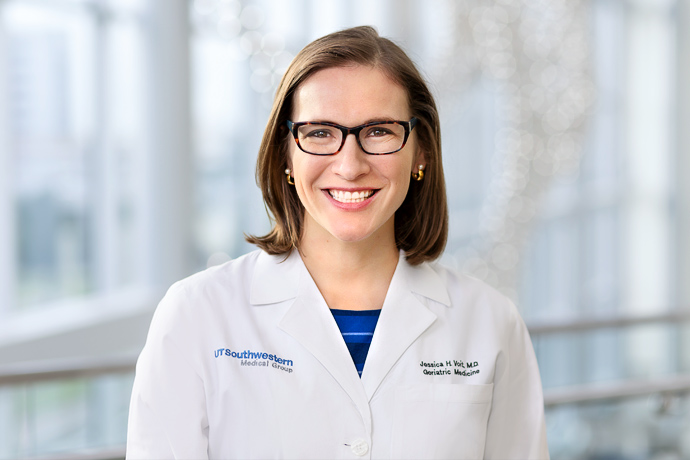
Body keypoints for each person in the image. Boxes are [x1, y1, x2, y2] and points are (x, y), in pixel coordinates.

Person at [126, 26, 549, 460]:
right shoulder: (197, 315)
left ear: (421, 153)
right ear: (285, 156)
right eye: (320, 133)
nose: (350, 166)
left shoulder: (491, 323)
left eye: (380, 131)